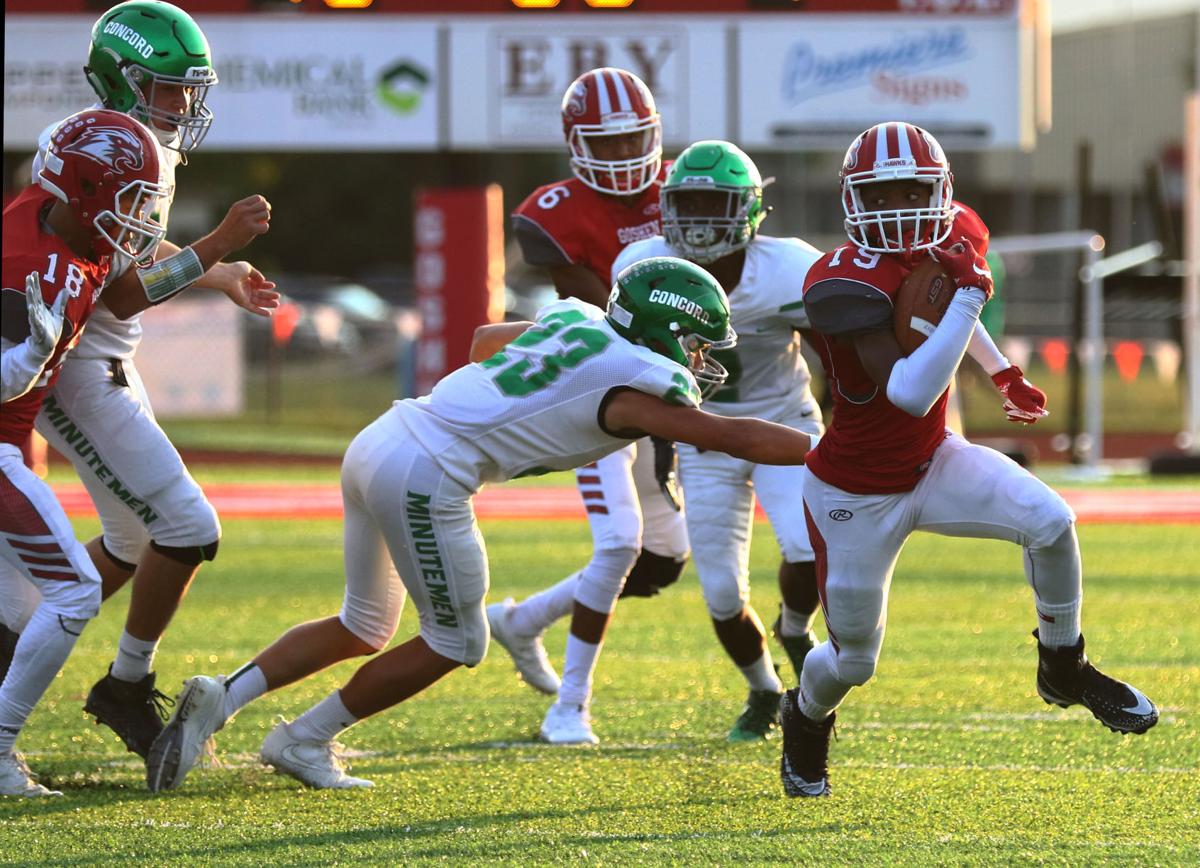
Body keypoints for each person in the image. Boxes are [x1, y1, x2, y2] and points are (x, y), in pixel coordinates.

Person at [145, 257, 818, 792]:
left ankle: (223, 698)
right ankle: (303, 738)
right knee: (456, 641)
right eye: (696, 343)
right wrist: (830, 453)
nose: (701, 358)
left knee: (365, 623)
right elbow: (733, 437)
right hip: (427, 470)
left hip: (384, 433)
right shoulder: (638, 383)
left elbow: (483, 343)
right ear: (665, 331)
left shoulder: (580, 319)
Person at [779, 121, 1158, 799]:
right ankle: (805, 717)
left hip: (932, 460)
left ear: (942, 188)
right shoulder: (839, 279)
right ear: (853, 199)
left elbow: (943, 312)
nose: (898, 207)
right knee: (854, 660)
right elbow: (908, 388)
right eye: (881, 192)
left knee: (1050, 521)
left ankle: (1064, 664)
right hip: (854, 492)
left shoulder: (950, 237)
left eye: (911, 189)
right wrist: (972, 295)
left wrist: (1003, 370)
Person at [0, 0, 277, 762]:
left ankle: (19, 644)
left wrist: (215, 273)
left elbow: (126, 259)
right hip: (80, 364)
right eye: (167, 88)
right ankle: (124, 684)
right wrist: (217, 239)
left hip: (105, 355)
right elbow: (117, 292)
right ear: (120, 81)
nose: (184, 106)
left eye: (191, 89)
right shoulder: (117, 151)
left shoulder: (120, 142)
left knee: (125, 541)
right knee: (189, 527)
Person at [492, 67, 691, 745]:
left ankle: (522, 623)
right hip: (595, 390)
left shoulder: (683, 188)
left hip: (659, 389)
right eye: (603, 145)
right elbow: (612, 311)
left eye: (631, 140)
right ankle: (569, 706)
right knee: (618, 544)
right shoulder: (551, 212)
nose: (621, 156)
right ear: (576, 144)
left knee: (661, 561)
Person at [609, 141, 825, 741]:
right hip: (703, 439)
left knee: (807, 547)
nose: (701, 219)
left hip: (784, 424)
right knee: (724, 593)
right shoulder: (644, 264)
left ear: (751, 210)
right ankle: (764, 690)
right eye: (690, 203)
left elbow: (839, 349)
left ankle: (796, 626)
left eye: (715, 203)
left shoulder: (789, 267)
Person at [1, 109, 168, 796]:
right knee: (74, 591)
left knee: (16, 608)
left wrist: (215, 262)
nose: (141, 217)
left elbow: (129, 289)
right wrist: (28, 358)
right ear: (87, 187)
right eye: (131, 198)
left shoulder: (79, 240)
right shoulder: (21, 258)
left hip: (11, 442)